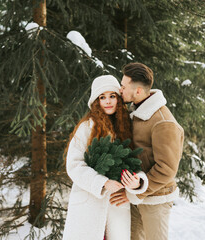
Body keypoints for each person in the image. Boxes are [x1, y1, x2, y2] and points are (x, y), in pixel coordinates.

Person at [62, 75, 148, 240]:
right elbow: (74, 165)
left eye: (112, 96)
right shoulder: (87, 127)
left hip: (117, 206)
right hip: (90, 204)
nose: (108, 101)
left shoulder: (126, 128)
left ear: (118, 99)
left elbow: (136, 161)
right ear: (96, 101)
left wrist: (138, 183)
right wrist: (102, 182)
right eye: (102, 97)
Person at [110, 63, 184, 240]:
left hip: (155, 200)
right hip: (137, 196)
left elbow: (166, 169)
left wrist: (138, 190)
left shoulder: (163, 122)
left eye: (123, 86)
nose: (120, 90)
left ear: (137, 91)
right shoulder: (136, 112)